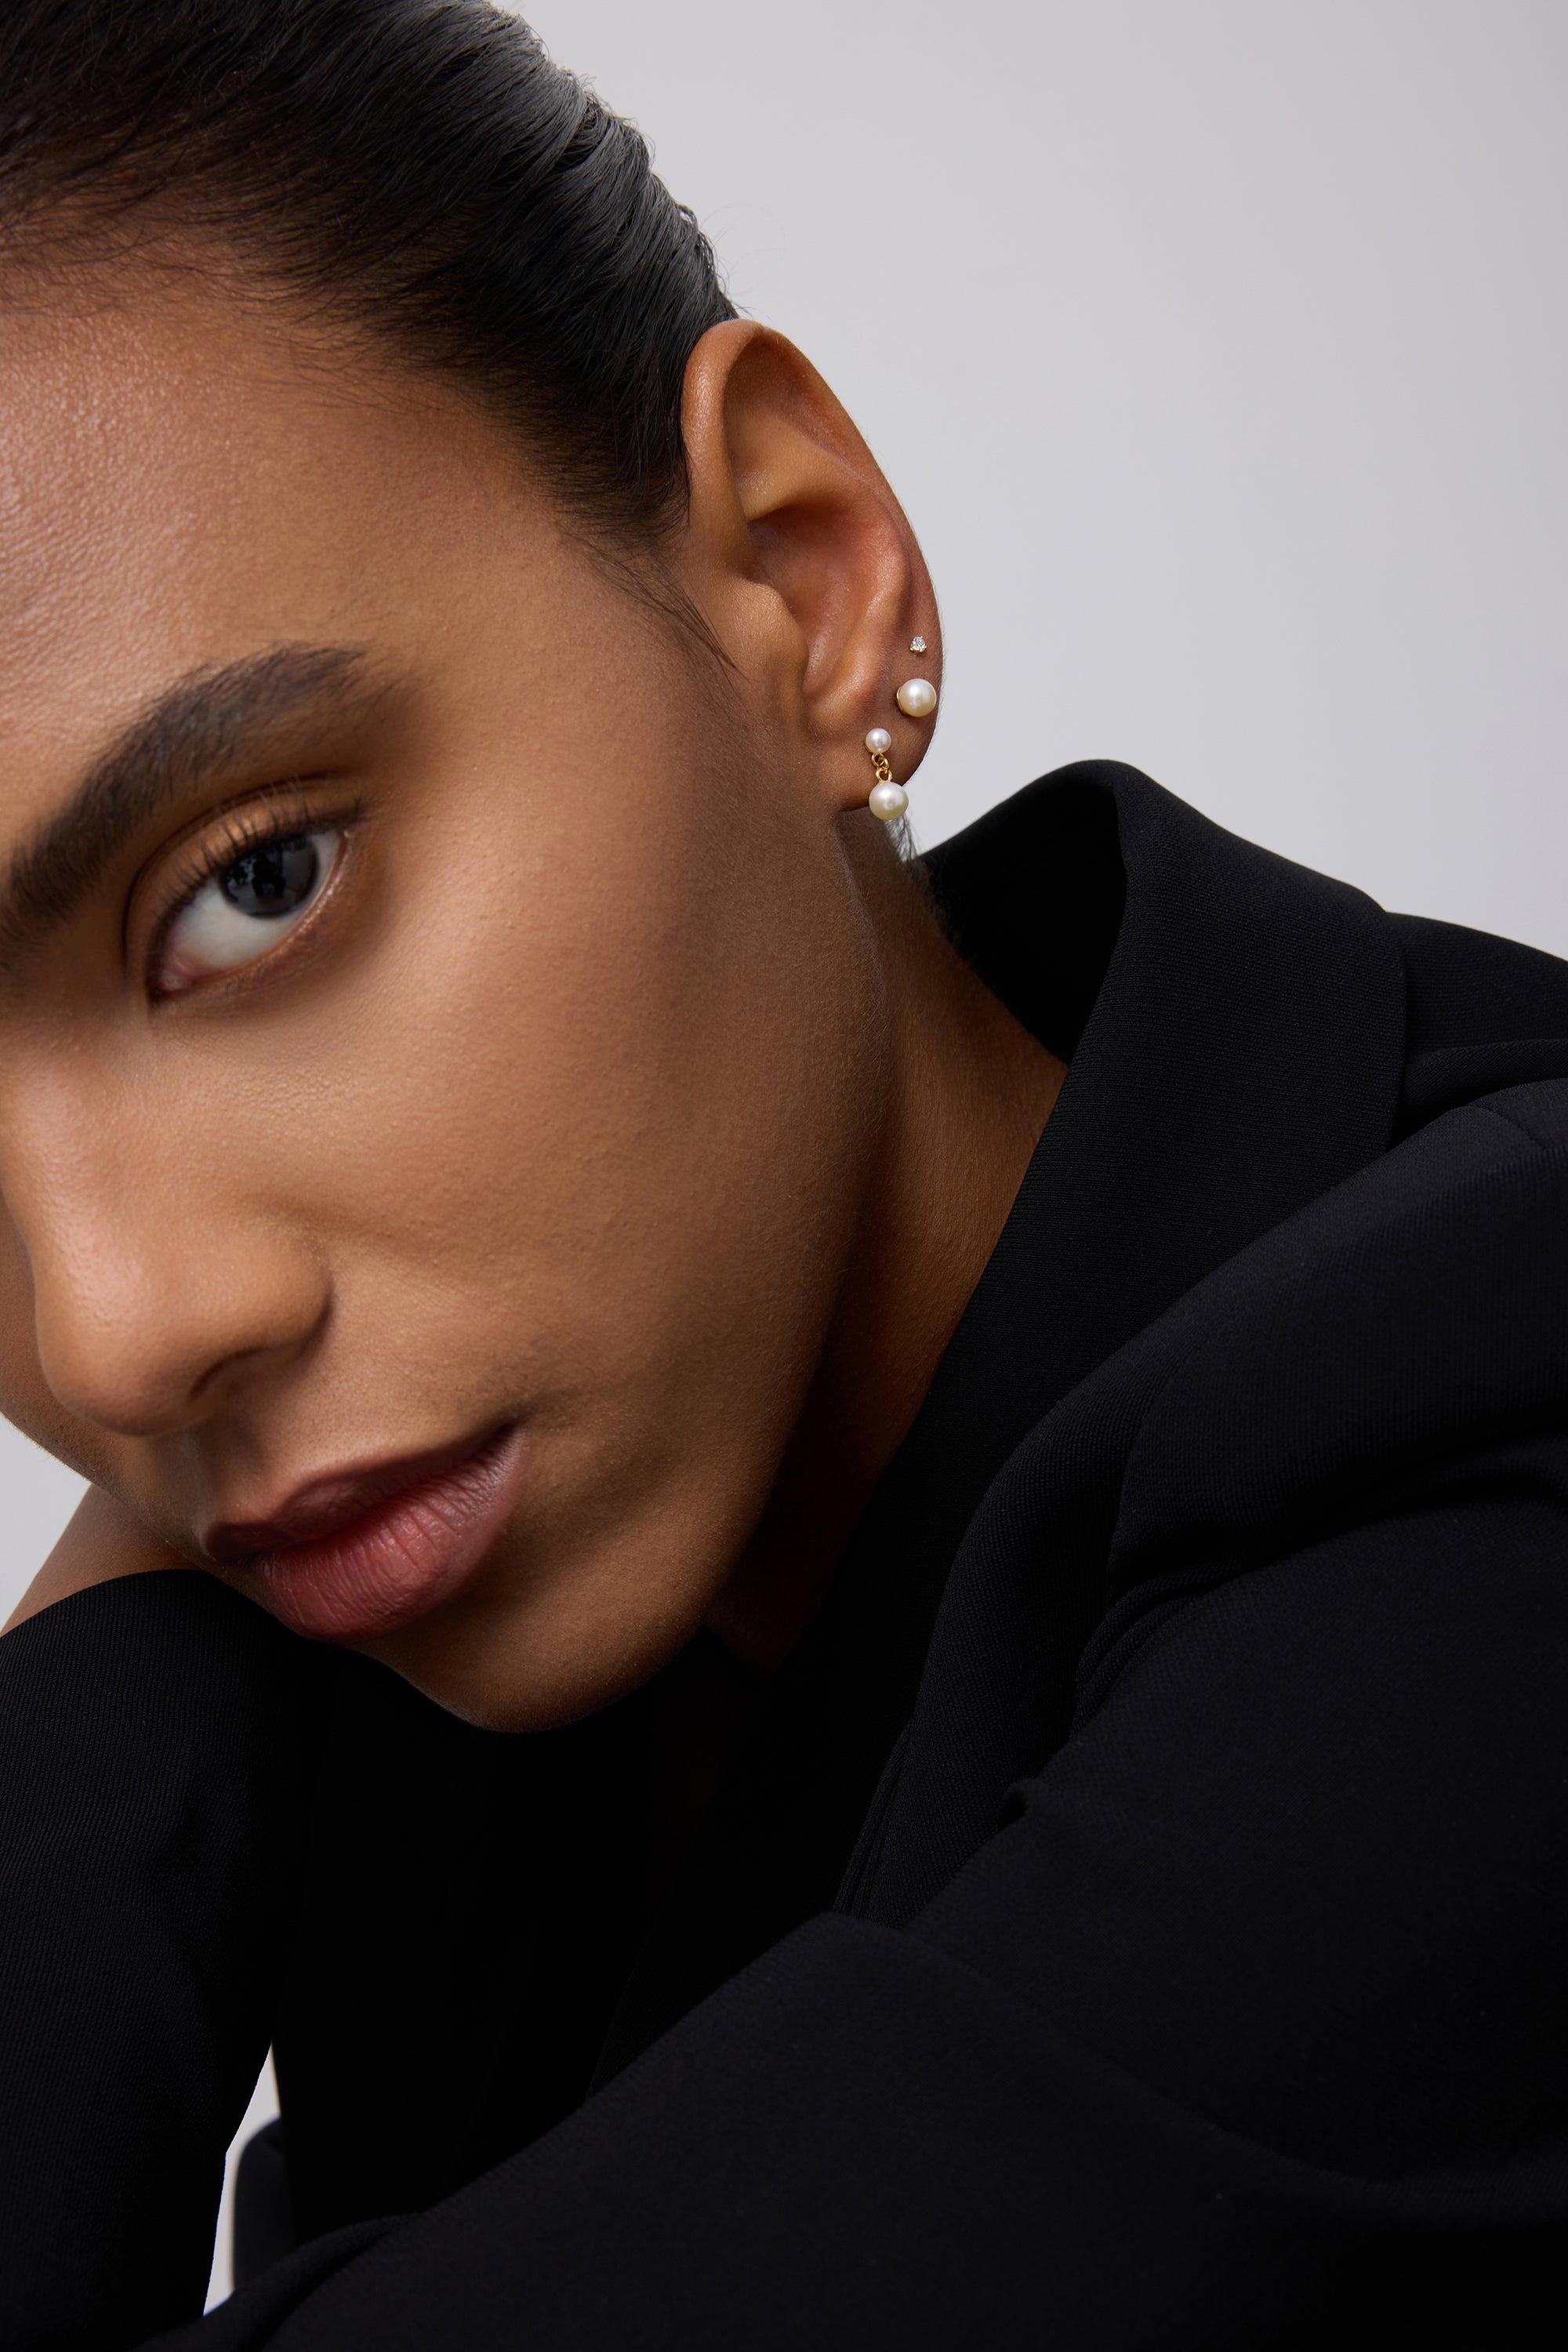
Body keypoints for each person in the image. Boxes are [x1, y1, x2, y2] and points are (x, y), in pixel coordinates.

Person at [0, 2, 1563, 2345]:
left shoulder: (1492, 1470)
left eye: (264, 877)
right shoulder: (497, 1638)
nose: (111, 1332)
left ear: (799, 578)